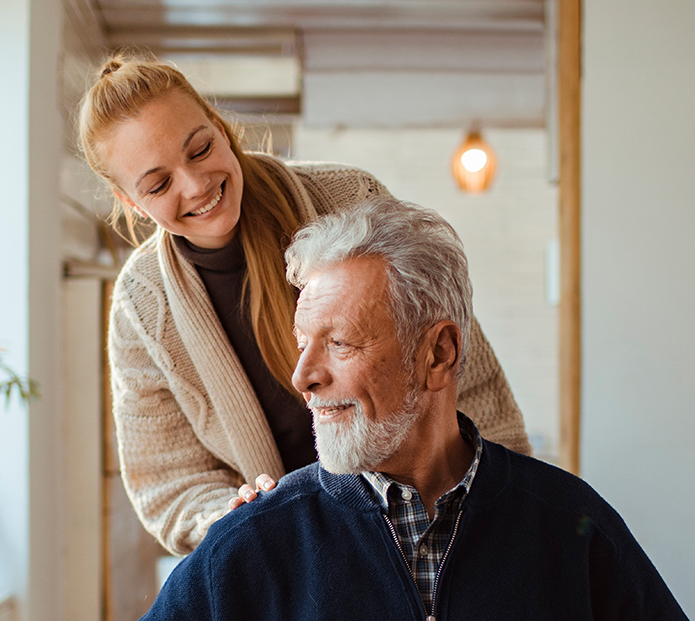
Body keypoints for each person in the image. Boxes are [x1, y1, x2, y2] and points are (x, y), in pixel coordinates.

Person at [119, 199, 695, 621]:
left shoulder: (574, 528)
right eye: (302, 344)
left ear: (439, 354)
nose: (302, 377)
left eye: (340, 343)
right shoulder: (249, 548)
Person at [79, 53, 532, 555]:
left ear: (221, 128)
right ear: (131, 203)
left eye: (201, 148)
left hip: (427, 519)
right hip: (291, 555)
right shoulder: (140, 306)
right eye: (159, 184)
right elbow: (169, 482)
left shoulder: (349, 197)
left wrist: (505, 505)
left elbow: (459, 369)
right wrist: (227, 514)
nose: (195, 184)